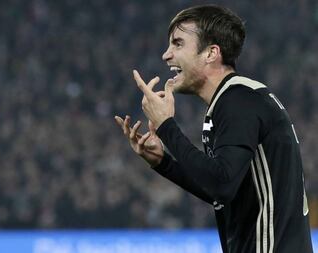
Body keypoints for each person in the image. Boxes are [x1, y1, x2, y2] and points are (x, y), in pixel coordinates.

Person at [114, 4, 313, 253]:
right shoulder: (234, 100)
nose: (166, 55)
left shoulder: (238, 101)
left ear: (211, 53)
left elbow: (221, 183)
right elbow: (221, 190)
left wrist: (166, 125)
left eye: (177, 44)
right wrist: (163, 162)